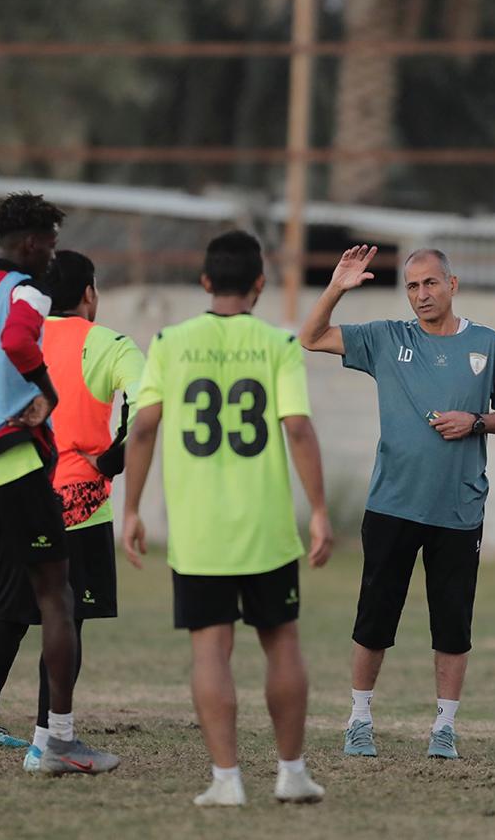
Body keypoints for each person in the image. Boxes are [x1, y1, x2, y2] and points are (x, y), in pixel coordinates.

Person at [123, 230, 332, 807]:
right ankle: (291, 773)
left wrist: (132, 508)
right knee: (282, 642)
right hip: (265, 527)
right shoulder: (279, 343)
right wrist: (318, 511)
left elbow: (143, 428)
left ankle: (227, 780)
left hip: (198, 531)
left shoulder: (169, 341)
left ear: (206, 282)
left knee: (210, 652)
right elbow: (298, 428)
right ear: (260, 284)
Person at [0, 250, 145, 770]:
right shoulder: (108, 343)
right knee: (67, 616)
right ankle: (49, 741)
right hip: (79, 503)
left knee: (6, 614)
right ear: (89, 294)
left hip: (13, 487)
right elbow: (149, 400)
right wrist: (113, 458)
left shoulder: (20, 333)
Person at [299, 246, 495, 761]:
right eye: (412, 286)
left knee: (452, 623)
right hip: (392, 504)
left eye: (430, 283)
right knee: (375, 617)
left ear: (452, 284)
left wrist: (476, 421)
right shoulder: (386, 338)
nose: (421, 295)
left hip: (458, 508)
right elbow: (310, 338)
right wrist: (336, 286)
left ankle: (444, 728)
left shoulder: (488, 344)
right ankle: (359, 719)